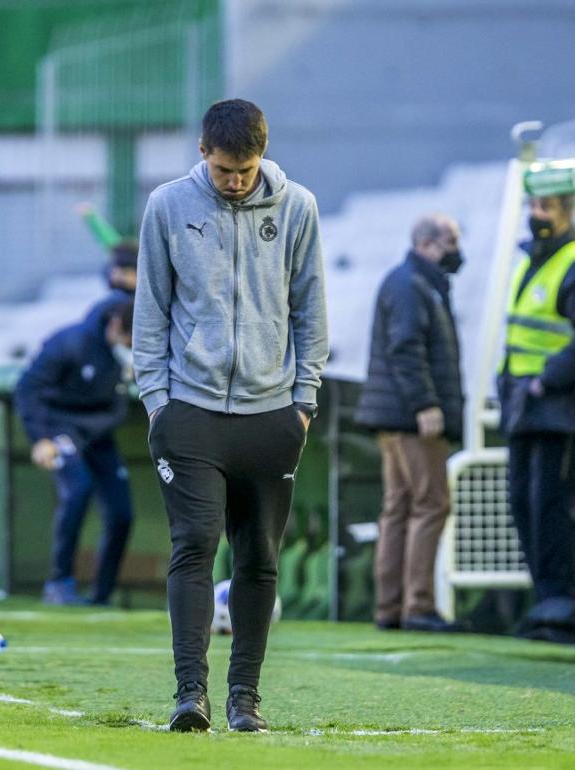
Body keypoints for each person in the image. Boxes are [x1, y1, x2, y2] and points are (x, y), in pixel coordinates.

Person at [134, 98, 328, 732]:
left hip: (273, 415)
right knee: (194, 547)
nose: (236, 181)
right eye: (224, 170)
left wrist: (303, 400)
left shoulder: (298, 206)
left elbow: (310, 309)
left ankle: (246, 699)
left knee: (260, 558)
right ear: (202, 152)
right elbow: (151, 312)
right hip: (189, 412)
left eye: (245, 169)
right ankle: (191, 694)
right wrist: (158, 403)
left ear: (263, 154)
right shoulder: (167, 207)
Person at [498, 194, 575, 631]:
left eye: (547, 208)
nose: (537, 216)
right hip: (523, 400)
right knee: (522, 499)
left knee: (552, 501)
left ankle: (559, 598)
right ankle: (546, 597)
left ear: (567, 212)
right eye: (533, 207)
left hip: (559, 404)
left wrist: (549, 377)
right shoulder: (531, 259)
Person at [355, 214, 465, 633]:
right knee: (430, 503)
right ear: (429, 244)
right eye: (451, 241)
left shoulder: (409, 282)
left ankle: (391, 607)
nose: (457, 249)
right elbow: (406, 347)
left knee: (399, 507)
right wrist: (426, 403)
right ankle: (418, 605)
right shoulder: (413, 285)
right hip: (411, 417)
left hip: (394, 417)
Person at [14, 301, 135, 606]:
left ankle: (102, 595)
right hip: (60, 429)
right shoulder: (70, 343)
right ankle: (59, 581)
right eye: (128, 339)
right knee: (77, 490)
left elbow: (116, 409)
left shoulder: (128, 357)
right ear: (116, 326)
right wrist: (40, 438)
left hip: (98, 434)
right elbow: (28, 388)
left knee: (122, 512)